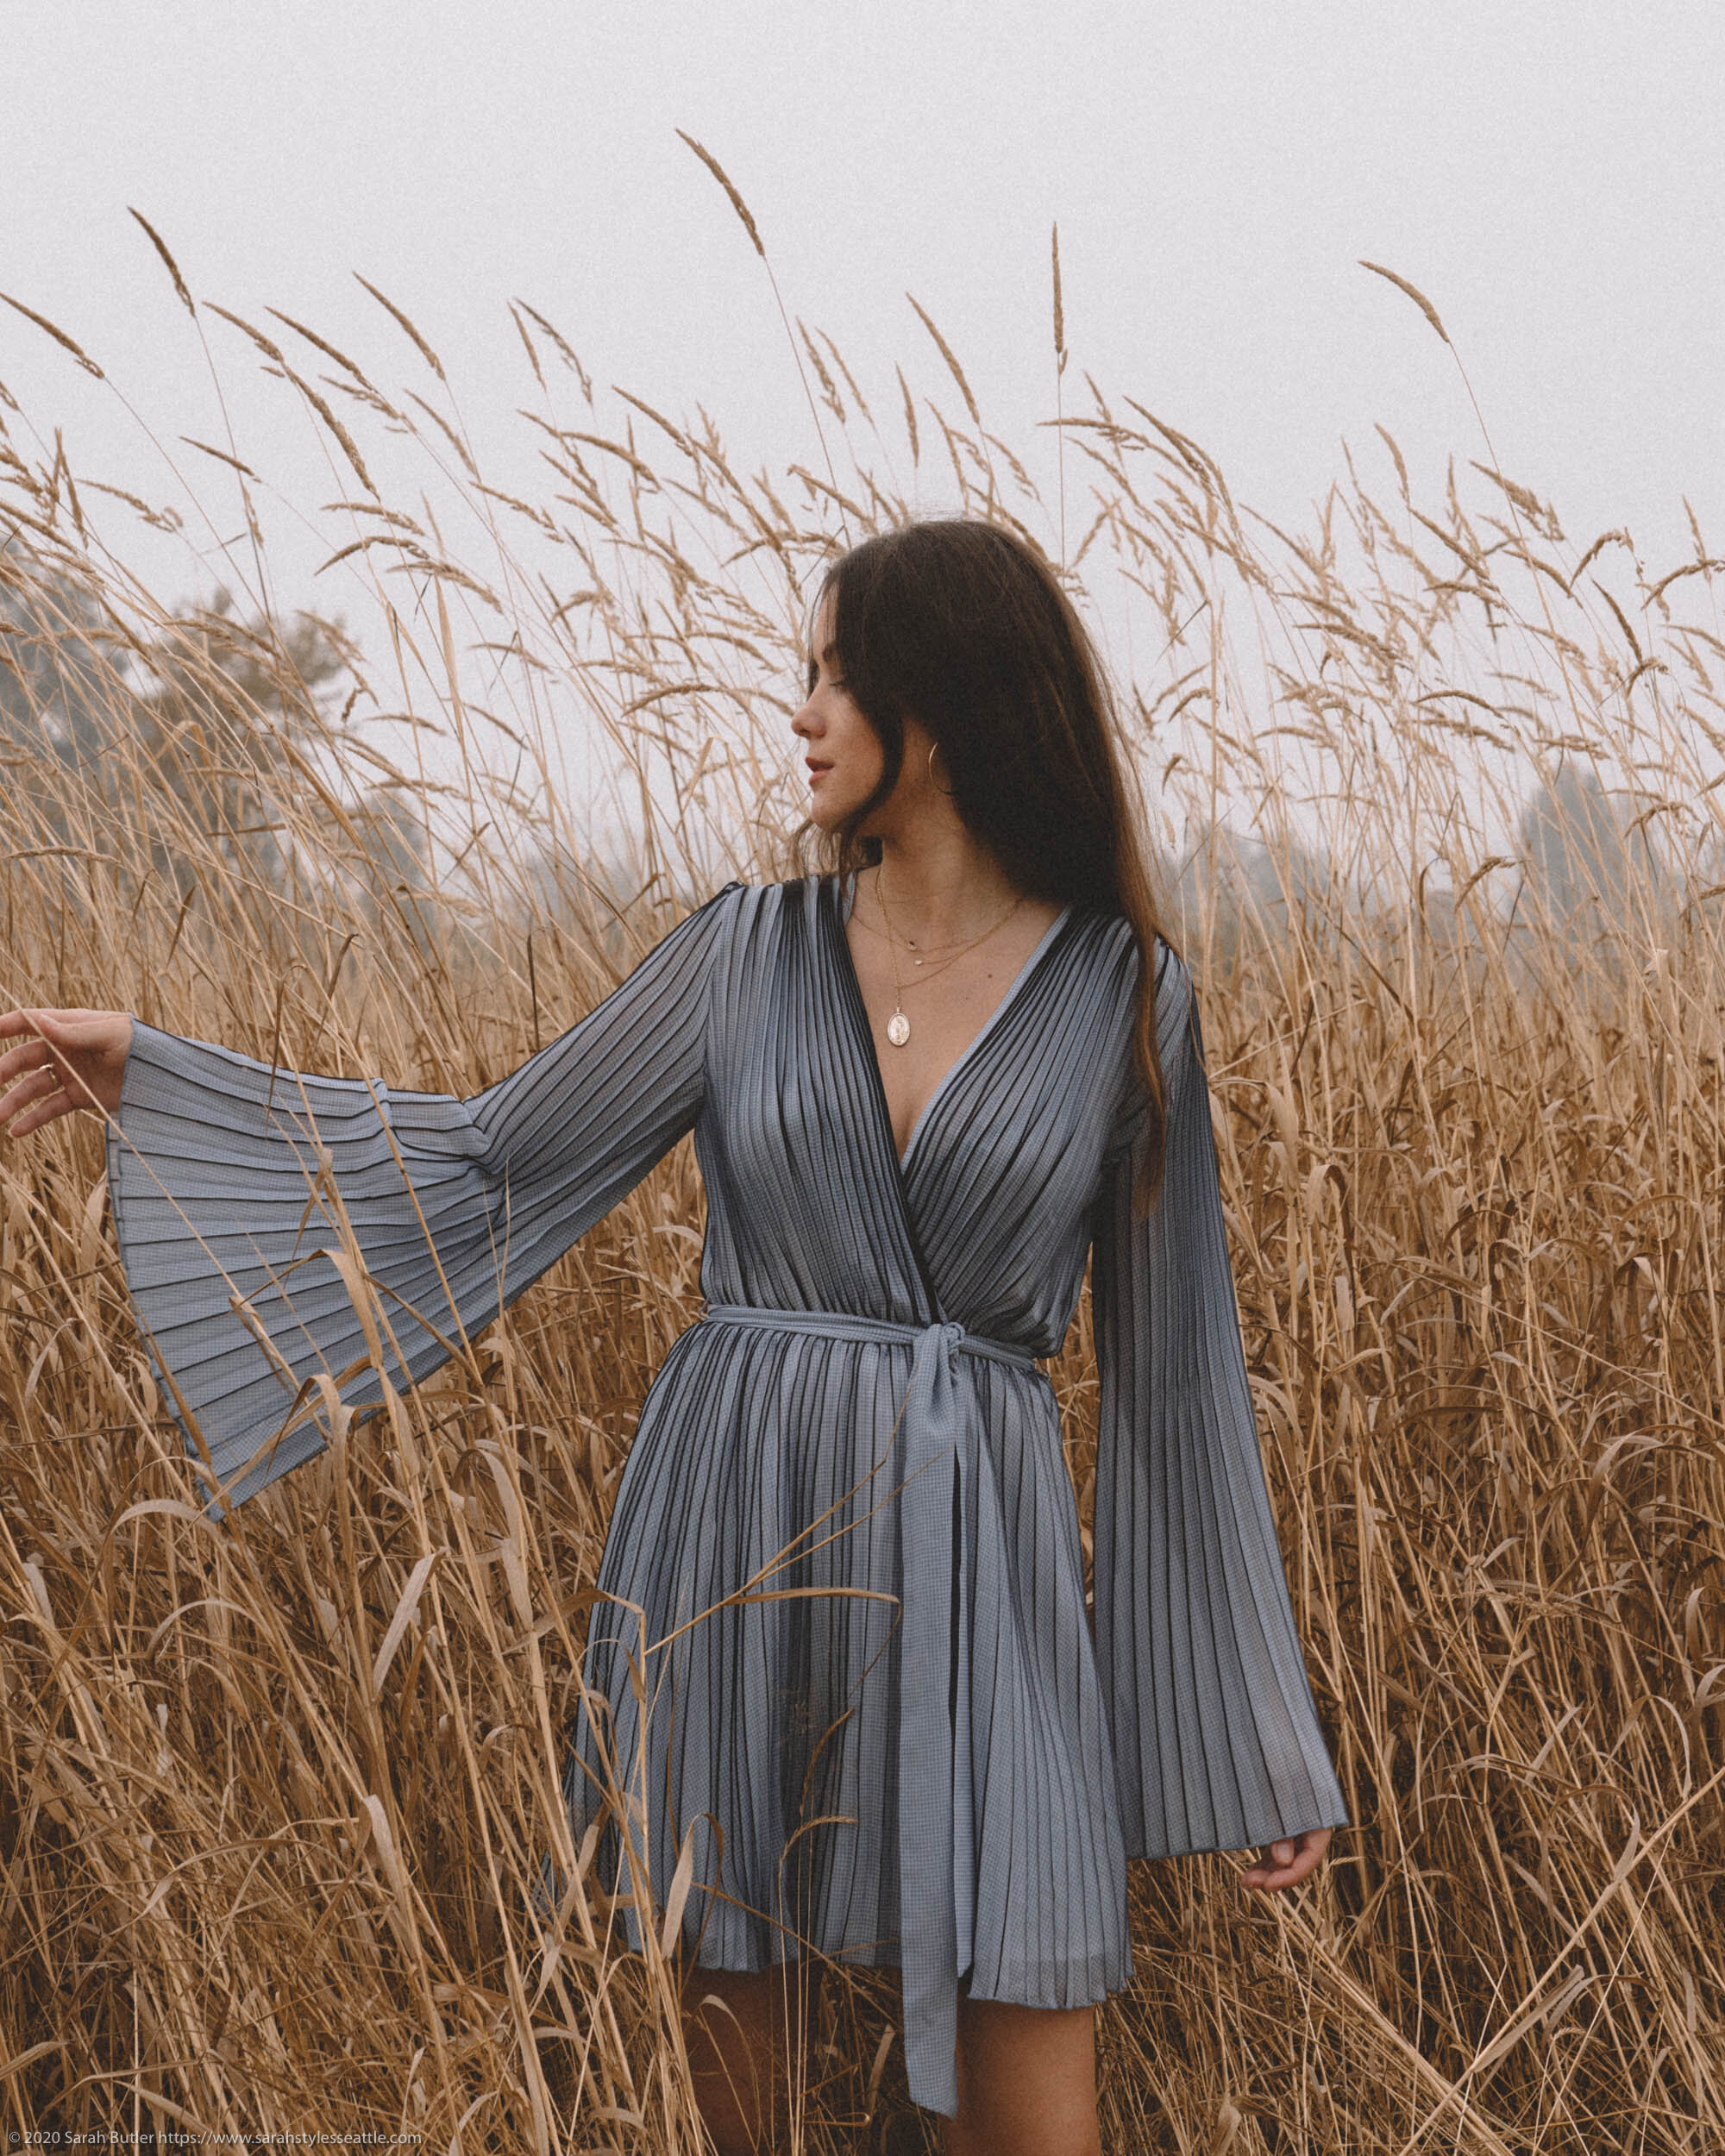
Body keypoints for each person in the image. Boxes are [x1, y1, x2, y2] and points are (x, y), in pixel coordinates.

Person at [0, 518, 1346, 2156]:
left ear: (952, 707)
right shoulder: (743, 955)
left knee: (1034, 2108)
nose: (805, 713)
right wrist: (160, 1073)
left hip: (987, 1567)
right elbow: (493, 1156)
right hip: (730, 1539)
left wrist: (1255, 1733)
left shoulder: (1129, 997)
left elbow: (1180, 1376)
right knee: (729, 2104)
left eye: (839, 678)